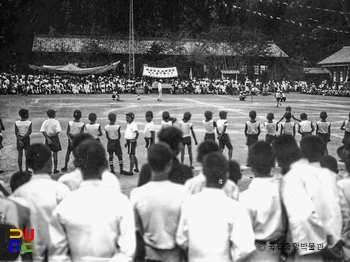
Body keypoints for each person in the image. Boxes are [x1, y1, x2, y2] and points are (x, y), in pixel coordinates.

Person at [49, 140, 135, 262]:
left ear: (76, 165)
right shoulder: (121, 202)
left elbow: (57, 255)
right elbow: (128, 250)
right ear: (105, 165)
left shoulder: (64, 205)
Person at [176, 152, 256, 262]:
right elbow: (245, 247)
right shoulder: (234, 207)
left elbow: (181, 239)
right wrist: (229, 257)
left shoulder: (189, 204)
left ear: (203, 172)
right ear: (225, 175)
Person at [281, 135, 345, 262]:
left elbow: (300, 216)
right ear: (323, 152)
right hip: (335, 247)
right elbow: (344, 214)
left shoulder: (296, 177)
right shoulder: (334, 178)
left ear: (302, 153)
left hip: (309, 249)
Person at [12, 143, 70, 262]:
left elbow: (15, 234)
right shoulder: (61, 190)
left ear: (28, 164)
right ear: (50, 163)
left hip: (31, 253)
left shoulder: (18, 194)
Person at [131, 143, 187, 262]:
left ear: (149, 164)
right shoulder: (182, 192)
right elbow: (184, 235)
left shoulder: (137, 194)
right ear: (169, 165)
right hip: (174, 254)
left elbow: (135, 229)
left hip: (150, 254)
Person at [240, 141, 286, 262]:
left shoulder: (245, 198)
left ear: (251, 165)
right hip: (279, 250)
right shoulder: (284, 190)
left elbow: (242, 245)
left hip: (255, 253)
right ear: (273, 163)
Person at [40, 109, 62, 174]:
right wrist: (52, 135)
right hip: (55, 139)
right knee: (55, 154)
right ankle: (55, 169)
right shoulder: (56, 122)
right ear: (53, 115)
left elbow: (43, 131)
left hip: (47, 139)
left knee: (48, 156)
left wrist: (48, 138)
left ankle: (49, 169)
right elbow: (58, 131)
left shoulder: (45, 122)